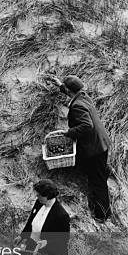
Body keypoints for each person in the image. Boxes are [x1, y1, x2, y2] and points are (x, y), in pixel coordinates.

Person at [47, 74, 112, 222]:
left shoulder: (77, 106)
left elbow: (87, 126)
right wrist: (60, 85)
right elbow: (72, 93)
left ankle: (103, 214)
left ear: (70, 91)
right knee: (96, 169)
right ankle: (104, 169)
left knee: (97, 181)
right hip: (101, 142)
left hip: (95, 148)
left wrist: (69, 132)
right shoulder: (83, 95)